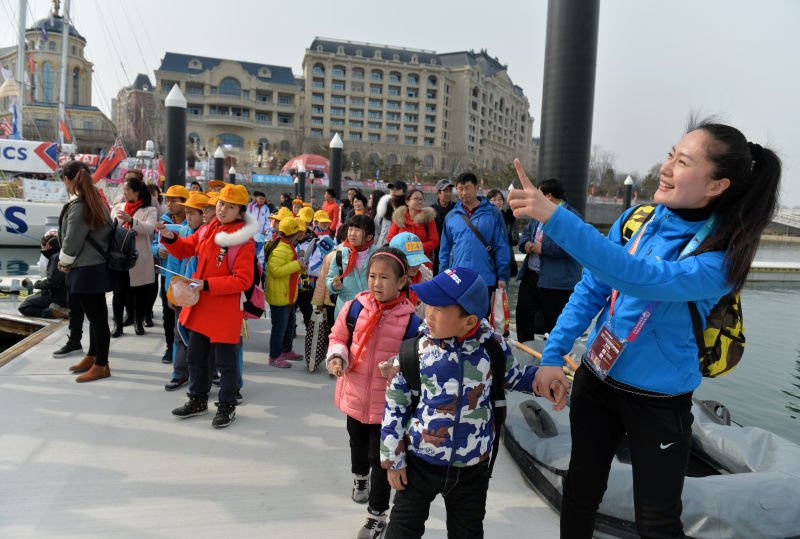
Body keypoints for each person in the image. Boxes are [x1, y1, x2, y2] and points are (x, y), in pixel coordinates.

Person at [507, 120, 781, 538]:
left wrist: (555, 218)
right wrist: (550, 356)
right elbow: (593, 287)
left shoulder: (722, 256)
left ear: (717, 185)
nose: (666, 167)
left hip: (660, 402)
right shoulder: (638, 219)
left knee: (657, 520)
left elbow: (639, 277)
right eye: (671, 154)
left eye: (683, 161)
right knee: (580, 492)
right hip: (597, 382)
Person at [380, 267, 555, 538]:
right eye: (429, 304)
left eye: (439, 308)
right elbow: (395, 406)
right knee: (402, 530)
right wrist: (393, 459)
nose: (428, 312)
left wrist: (545, 382)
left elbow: (515, 376)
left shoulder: (493, 348)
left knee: (468, 532)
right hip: (420, 463)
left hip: (472, 468)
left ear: (469, 320)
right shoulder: (414, 352)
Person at [326, 247, 419, 539]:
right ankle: (358, 478)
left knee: (381, 459)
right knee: (357, 444)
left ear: (402, 282)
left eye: (385, 278)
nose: (376, 283)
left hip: (387, 407)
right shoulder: (355, 307)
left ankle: (377, 514)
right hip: (354, 394)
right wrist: (337, 357)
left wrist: (395, 365)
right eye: (372, 276)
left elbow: (415, 358)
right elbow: (338, 337)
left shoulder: (411, 320)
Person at [158, 184, 258, 429]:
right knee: (196, 357)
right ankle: (198, 399)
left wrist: (207, 285)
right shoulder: (209, 228)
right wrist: (170, 237)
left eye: (230, 206)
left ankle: (226, 406)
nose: (223, 209)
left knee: (225, 363)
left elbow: (243, 280)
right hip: (201, 307)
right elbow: (186, 248)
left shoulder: (243, 241)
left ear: (240, 211)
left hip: (224, 311)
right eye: (221, 204)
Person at [58, 160, 114, 383]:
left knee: (97, 318)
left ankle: (102, 364)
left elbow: (72, 239)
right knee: (96, 316)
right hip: (95, 267)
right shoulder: (95, 201)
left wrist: (63, 261)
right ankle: (93, 356)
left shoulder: (80, 204)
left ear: (67, 180)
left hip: (84, 268)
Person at [514, 179, 583, 342]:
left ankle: (556, 359)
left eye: (538, 194)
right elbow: (525, 235)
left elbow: (571, 246)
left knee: (555, 321)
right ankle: (525, 350)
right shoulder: (537, 213)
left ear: (549, 196)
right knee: (523, 314)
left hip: (557, 281)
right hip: (531, 276)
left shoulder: (571, 217)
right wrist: (526, 244)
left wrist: (542, 248)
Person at [438, 172, 510, 315]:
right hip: (457, 276)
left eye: (467, 188)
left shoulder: (493, 213)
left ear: (477, 188)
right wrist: (443, 275)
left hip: (485, 276)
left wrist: (502, 276)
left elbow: (501, 245)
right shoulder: (451, 216)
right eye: (459, 189)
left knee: (481, 318)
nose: (463, 192)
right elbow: (444, 249)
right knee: (457, 316)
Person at [164, 193, 208, 392]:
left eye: (193, 213)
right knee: (179, 334)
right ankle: (179, 373)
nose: (188, 217)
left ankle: (209, 373)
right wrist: (169, 292)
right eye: (187, 213)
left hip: (204, 295)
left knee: (204, 337)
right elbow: (173, 264)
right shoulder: (181, 233)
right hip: (182, 293)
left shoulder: (209, 235)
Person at [110, 170, 158, 337]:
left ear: (137, 192)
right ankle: (117, 324)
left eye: (127, 190)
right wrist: (119, 223)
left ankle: (138, 321)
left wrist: (131, 220)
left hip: (139, 256)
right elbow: (111, 228)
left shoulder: (150, 209)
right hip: (119, 256)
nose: (124, 193)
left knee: (140, 291)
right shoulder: (118, 207)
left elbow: (150, 228)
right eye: (123, 190)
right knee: (118, 291)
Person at [152, 185, 189, 363]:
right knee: (168, 314)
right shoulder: (164, 220)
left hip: (185, 275)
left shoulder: (191, 222)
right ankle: (169, 348)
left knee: (184, 315)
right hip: (167, 274)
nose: (170, 204)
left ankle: (186, 349)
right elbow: (153, 243)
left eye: (174, 200)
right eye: (167, 200)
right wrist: (157, 252)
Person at [264, 217, 307, 369]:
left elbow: (289, 268)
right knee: (279, 328)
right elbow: (275, 271)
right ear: (294, 234)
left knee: (289, 325)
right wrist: (296, 265)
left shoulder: (287, 246)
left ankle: (286, 350)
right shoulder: (281, 249)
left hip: (287, 295)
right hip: (279, 296)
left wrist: (300, 267)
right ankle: (274, 356)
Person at [326, 215, 378, 319]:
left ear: (369, 236)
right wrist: (333, 285)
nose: (352, 233)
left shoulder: (378, 255)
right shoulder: (340, 253)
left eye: (358, 230)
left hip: (370, 309)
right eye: (350, 229)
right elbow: (330, 277)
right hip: (345, 310)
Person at [18, 232, 69, 319]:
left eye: (42, 248)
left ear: (48, 246)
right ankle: (57, 308)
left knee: (24, 306)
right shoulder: (62, 254)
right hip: (66, 294)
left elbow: (53, 282)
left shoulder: (55, 257)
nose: (42, 251)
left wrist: (37, 284)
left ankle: (53, 312)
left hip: (59, 297)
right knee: (35, 296)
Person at [386, 189, 439, 266]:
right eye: (416, 199)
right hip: (402, 261)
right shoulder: (399, 217)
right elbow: (390, 238)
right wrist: (404, 250)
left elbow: (434, 241)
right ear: (407, 201)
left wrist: (415, 249)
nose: (419, 201)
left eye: (421, 199)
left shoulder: (428, 218)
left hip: (422, 262)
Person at [389, 231, 433, 317]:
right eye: (410, 262)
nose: (416, 265)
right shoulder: (388, 280)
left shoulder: (426, 275)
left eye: (419, 260)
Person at [487, 189, 518, 276]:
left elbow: (515, 240)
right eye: (493, 200)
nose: (497, 202)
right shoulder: (484, 219)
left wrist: (512, 221)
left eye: (500, 199)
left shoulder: (509, 217)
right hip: (489, 261)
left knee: (503, 287)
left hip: (506, 260)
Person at [430, 179, 455, 273]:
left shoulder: (457, 209)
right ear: (438, 193)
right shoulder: (430, 210)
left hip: (453, 249)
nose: (448, 193)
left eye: (450, 190)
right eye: (445, 191)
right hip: (436, 250)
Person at [247, 190, 271, 266]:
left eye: (263, 199)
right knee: (250, 251)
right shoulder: (251, 206)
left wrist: (266, 230)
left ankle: (259, 268)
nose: (261, 200)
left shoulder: (266, 208)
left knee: (260, 253)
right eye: (260, 198)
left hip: (261, 234)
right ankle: (250, 265)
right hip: (251, 233)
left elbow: (268, 220)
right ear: (256, 198)